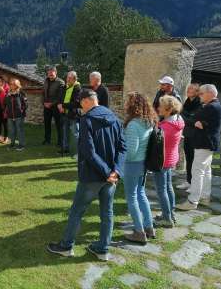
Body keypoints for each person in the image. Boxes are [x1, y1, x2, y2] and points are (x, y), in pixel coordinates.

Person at [47, 89, 125, 261]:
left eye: (80, 102)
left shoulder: (87, 120)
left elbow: (88, 152)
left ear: (86, 101)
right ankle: (102, 249)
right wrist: (115, 171)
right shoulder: (113, 116)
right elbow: (122, 148)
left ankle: (66, 246)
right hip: (111, 176)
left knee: (77, 210)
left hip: (93, 176)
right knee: (107, 212)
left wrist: (109, 172)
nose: (80, 106)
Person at [177, 84, 221, 211]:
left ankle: (192, 201)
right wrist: (197, 123)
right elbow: (196, 121)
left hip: (204, 143)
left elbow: (192, 119)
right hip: (209, 143)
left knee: (197, 172)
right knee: (206, 170)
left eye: (202, 93)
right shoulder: (215, 106)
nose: (199, 95)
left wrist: (186, 116)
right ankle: (204, 197)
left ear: (210, 94)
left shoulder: (210, 107)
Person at [122, 92, 156, 244]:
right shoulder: (148, 121)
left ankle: (139, 232)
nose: (125, 105)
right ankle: (149, 227)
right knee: (141, 194)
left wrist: (119, 158)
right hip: (143, 163)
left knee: (132, 197)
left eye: (127, 102)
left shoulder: (133, 124)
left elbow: (131, 151)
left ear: (133, 105)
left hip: (132, 165)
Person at [154, 95, 184, 228]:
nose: (158, 108)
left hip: (162, 160)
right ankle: (170, 213)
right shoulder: (178, 120)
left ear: (167, 109)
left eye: (160, 106)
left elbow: (156, 142)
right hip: (171, 158)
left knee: (162, 190)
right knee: (168, 187)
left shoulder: (166, 127)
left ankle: (166, 218)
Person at [177, 83, 202, 190]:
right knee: (188, 158)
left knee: (194, 159)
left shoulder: (199, 104)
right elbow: (186, 117)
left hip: (195, 135)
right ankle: (189, 180)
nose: (188, 90)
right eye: (188, 88)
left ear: (197, 92)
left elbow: (192, 119)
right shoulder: (187, 102)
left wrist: (182, 114)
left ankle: (194, 183)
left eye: (191, 89)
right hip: (187, 133)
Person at [58, 71, 81, 158]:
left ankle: (77, 151)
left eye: (69, 78)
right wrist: (59, 105)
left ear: (74, 79)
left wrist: (63, 105)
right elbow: (60, 98)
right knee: (65, 132)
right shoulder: (64, 87)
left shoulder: (78, 88)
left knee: (75, 133)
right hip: (65, 114)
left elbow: (77, 103)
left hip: (74, 114)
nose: (67, 80)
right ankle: (65, 148)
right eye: (67, 78)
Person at [42, 66, 65, 146]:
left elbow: (60, 96)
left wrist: (51, 103)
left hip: (56, 107)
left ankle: (60, 142)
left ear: (56, 72)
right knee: (47, 124)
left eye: (52, 72)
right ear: (47, 73)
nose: (50, 74)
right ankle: (47, 140)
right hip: (46, 107)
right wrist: (44, 102)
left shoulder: (60, 82)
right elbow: (43, 93)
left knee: (59, 125)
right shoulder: (45, 81)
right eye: (49, 72)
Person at [5, 79, 28, 151]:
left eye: (13, 84)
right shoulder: (8, 93)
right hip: (10, 115)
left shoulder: (21, 93)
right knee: (11, 131)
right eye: (11, 84)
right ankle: (12, 144)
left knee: (19, 130)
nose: (12, 85)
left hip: (19, 116)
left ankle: (21, 145)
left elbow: (25, 104)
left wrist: (21, 111)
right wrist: (7, 97)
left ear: (17, 85)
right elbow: (5, 103)